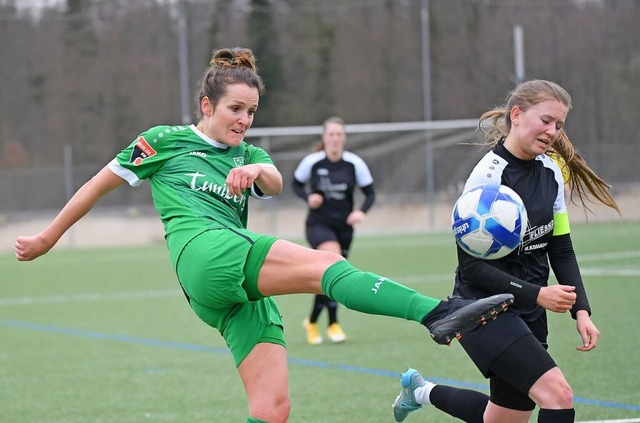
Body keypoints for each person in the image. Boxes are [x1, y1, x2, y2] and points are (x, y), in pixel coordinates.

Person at [14, 47, 514, 423]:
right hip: (203, 254)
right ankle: (438, 313)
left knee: (273, 407)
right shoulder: (163, 141)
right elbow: (95, 186)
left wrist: (255, 174)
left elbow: (274, 181)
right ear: (207, 104)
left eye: (251, 112)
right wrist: (47, 238)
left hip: (225, 291)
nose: (244, 120)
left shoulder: (249, 154)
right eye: (235, 109)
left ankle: (439, 314)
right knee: (324, 267)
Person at [391, 79, 621, 423]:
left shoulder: (551, 172)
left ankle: (420, 391)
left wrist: (581, 311)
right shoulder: (487, 178)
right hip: (481, 308)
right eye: (546, 120)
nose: (553, 131)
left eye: (559, 124)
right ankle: (421, 391)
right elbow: (471, 269)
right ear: (517, 115)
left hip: (527, 309)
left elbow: (560, 247)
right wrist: (538, 293)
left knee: (504, 418)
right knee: (558, 396)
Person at [292, 116, 375, 345]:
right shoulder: (313, 162)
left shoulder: (354, 163)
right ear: (324, 137)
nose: (335, 139)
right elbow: (295, 184)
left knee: (333, 278)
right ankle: (332, 323)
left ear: (344, 138)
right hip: (318, 226)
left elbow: (370, 193)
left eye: (339, 134)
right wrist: (309, 197)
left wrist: (361, 212)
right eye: (331, 134)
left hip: (344, 228)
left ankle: (312, 321)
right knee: (332, 263)